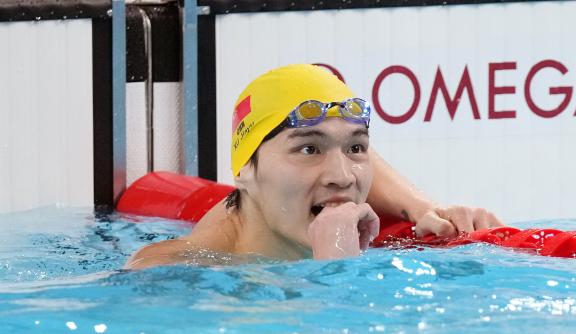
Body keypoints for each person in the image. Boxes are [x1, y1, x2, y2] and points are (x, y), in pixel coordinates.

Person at [126, 64, 501, 269]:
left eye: (355, 147)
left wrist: (425, 209)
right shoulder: (173, 273)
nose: (342, 176)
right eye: (309, 149)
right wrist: (336, 271)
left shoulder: (295, 195)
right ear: (245, 171)